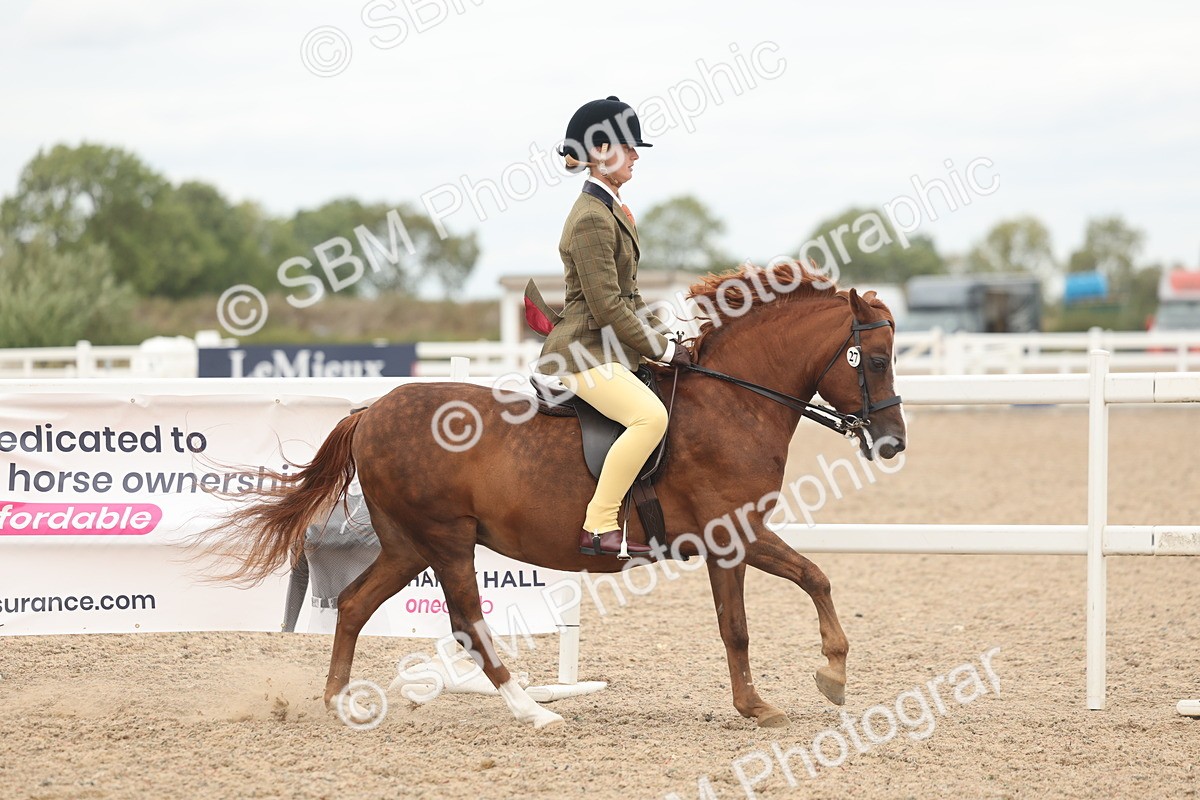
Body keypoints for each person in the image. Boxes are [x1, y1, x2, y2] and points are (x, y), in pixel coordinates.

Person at [528, 96, 692, 558]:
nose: (637, 156)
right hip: (581, 351)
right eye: (629, 147)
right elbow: (606, 307)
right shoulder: (590, 219)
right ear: (601, 151)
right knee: (650, 417)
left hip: (607, 348)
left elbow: (631, 297)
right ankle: (599, 525)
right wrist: (659, 351)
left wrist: (667, 337)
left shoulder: (613, 209)